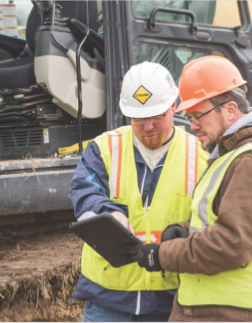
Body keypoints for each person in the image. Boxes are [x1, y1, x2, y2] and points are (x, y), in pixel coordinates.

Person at [124, 56, 252, 321]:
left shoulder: (251, 162)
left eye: (197, 115)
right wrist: (186, 230)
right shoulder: (232, 156)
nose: (191, 125)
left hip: (236, 313)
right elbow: (223, 222)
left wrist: (162, 255)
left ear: (229, 109)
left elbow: (234, 244)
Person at [69, 61, 207, 322]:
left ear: (174, 106)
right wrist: (108, 214)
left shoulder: (200, 154)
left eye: (156, 117)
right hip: (109, 299)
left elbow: (215, 216)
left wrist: (187, 228)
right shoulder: (104, 148)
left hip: (171, 299)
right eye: (139, 119)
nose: (148, 127)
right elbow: (85, 192)